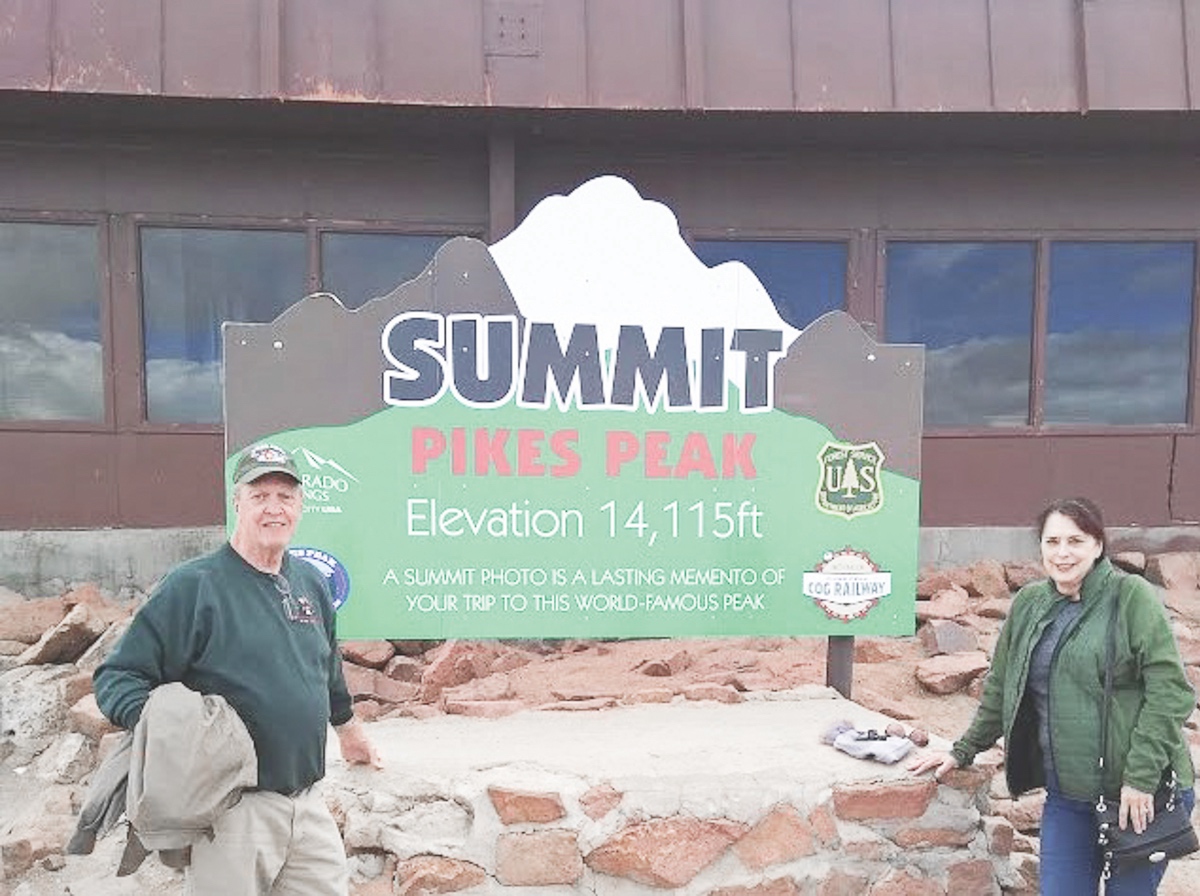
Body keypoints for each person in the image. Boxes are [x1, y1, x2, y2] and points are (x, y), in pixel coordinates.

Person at [94, 442, 380, 895]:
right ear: (237, 503)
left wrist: (347, 728)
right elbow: (117, 678)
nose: (273, 509)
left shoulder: (310, 583)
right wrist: (172, 731)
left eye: (284, 497)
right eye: (259, 495)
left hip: (307, 804)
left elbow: (326, 662)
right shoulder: (194, 586)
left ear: (300, 505)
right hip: (231, 813)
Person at [909, 496, 1195, 895]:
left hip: (1136, 795)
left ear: (1098, 545)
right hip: (1068, 797)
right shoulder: (1030, 603)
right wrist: (962, 750)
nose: (1063, 553)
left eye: (1075, 541)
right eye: (1052, 541)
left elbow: (1171, 693)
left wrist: (1140, 779)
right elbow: (1002, 686)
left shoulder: (1131, 597)